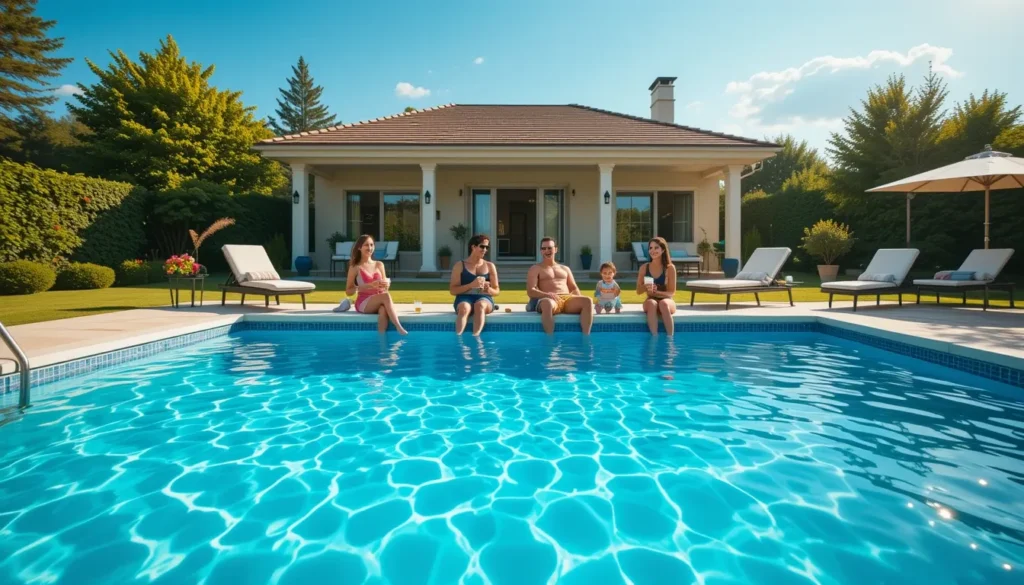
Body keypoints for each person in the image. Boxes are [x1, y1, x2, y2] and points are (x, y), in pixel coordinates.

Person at [526, 237, 593, 335]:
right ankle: (550, 341)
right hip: (549, 299)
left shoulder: (565, 268)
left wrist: (578, 298)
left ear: (555, 249)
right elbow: (530, 291)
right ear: (541, 251)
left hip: (567, 299)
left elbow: (573, 288)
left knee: (587, 301)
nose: (547, 251)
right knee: (547, 304)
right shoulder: (536, 268)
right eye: (544, 249)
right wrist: (547, 295)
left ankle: (586, 340)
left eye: (549, 248)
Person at [344, 234, 407, 335]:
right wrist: (370, 285)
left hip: (379, 299)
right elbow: (348, 291)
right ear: (359, 247)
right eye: (366, 245)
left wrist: (386, 284)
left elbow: (385, 289)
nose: (370, 248)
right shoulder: (355, 267)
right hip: (364, 302)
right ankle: (398, 327)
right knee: (385, 296)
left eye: (371, 245)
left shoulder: (379, 264)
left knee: (383, 310)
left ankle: (381, 342)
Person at [450, 234, 500, 335]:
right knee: (464, 307)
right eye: (482, 246)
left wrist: (488, 289)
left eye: (487, 247)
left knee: (480, 305)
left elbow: (496, 290)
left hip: (484, 298)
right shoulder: (460, 265)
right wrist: (471, 285)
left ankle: (476, 337)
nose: (485, 249)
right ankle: (459, 338)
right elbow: (453, 290)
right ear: (473, 247)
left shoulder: (490, 266)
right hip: (464, 298)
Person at [636, 236, 677, 336]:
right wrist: (646, 287)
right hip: (651, 300)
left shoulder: (670, 268)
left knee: (663, 304)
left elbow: (671, 292)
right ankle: (654, 337)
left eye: (656, 248)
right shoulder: (644, 268)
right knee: (651, 303)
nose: (653, 250)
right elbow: (638, 291)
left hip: (666, 300)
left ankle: (670, 339)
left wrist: (656, 292)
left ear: (663, 250)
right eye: (650, 248)